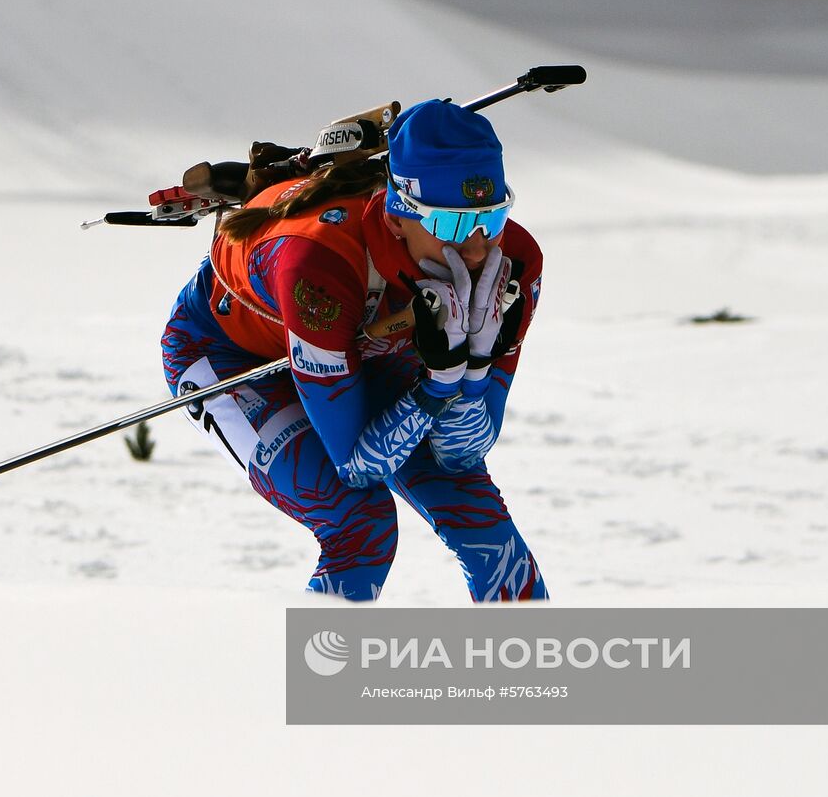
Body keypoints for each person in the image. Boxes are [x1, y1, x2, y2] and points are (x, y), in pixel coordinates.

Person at [161, 99, 547, 601]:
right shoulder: (320, 263)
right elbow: (359, 466)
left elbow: (461, 456)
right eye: (452, 226)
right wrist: (437, 385)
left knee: (485, 529)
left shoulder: (513, 261)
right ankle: (317, 676)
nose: (475, 251)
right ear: (396, 218)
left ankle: (535, 678)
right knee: (360, 524)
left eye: (490, 219)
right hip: (234, 355)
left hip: (364, 349)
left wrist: (469, 369)